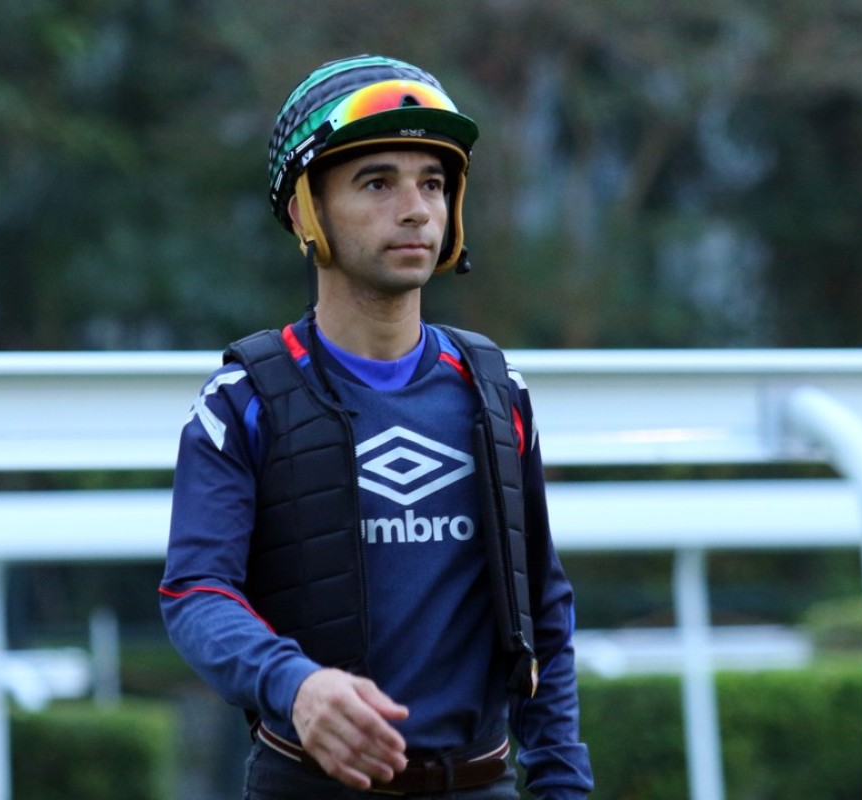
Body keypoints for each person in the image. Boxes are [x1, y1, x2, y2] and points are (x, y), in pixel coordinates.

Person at [159, 54, 594, 800]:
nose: (417, 207)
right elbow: (195, 592)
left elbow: (543, 612)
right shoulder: (242, 401)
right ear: (304, 210)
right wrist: (294, 685)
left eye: (433, 181)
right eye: (377, 181)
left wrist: (561, 784)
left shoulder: (497, 392)